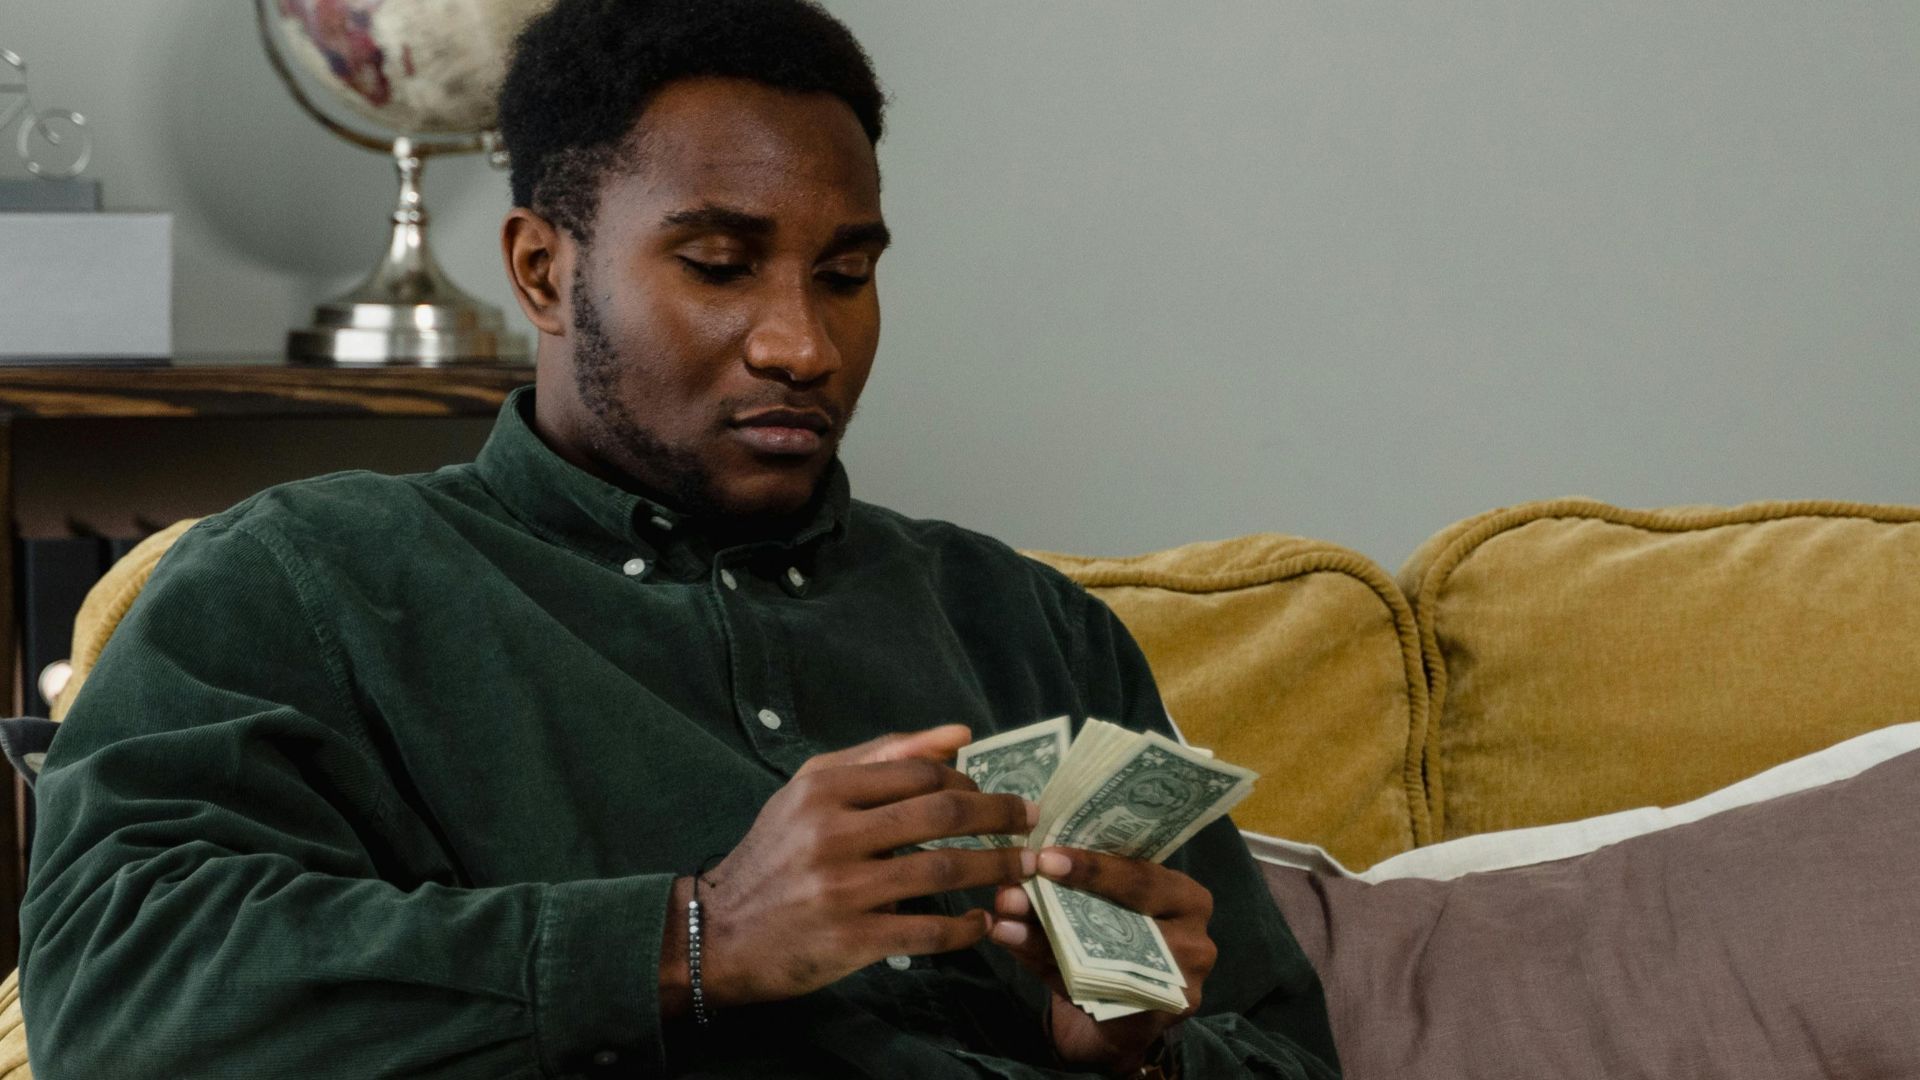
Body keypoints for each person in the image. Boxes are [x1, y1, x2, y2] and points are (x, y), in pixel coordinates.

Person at [19, 2, 1340, 1077]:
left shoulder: (1031, 628)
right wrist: (696, 938)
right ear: (543, 271)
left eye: (846, 273)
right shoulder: (308, 582)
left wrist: (1142, 1059)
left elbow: (1287, 1054)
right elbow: (116, 992)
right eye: (718, 264)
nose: (804, 345)